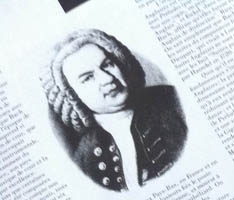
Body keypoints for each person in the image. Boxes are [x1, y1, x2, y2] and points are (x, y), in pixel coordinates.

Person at [42, 28, 186, 191]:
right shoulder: (86, 154)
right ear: (71, 96)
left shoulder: (172, 103)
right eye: (88, 78)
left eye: (107, 65)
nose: (107, 79)